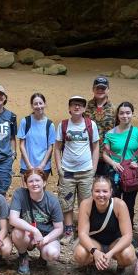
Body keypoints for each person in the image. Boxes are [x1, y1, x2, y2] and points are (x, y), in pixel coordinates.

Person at [73, 176, 136, 275]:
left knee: (128, 255)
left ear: (111, 192)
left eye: (105, 191)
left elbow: (128, 236)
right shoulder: (86, 204)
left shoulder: (119, 205)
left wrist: (111, 253)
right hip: (95, 242)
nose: (101, 195)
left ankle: (121, 267)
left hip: (114, 242)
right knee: (80, 253)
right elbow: (82, 234)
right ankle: (91, 264)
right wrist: (95, 251)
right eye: (97, 191)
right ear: (92, 192)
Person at [54, 95, 100, 242]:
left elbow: (96, 147)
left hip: (86, 171)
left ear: (84, 108)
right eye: (74, 104)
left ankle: (82, 233)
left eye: (80, 105)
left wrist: (93, 168)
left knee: (85, 203)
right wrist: (59, 168)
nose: (77, 107)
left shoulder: (90, 125)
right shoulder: (63, 125)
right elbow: (57, 148)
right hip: (67, 171)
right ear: (69, 108)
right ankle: (68, 232)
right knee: (66, 202)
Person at [9, 168, 64, 275]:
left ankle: (43, 257)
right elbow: (13, 219)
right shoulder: (19, 194)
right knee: (17, 232)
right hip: (27, 234)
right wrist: (34, 231)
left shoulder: (52, 200)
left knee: (52, 253)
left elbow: (59, 228)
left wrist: (45, 239)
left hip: (46, 235)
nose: (34, 184)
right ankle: (23, 256)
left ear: (44, 182)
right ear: (26, 184)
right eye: (30, 181)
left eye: (37, 181)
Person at [102, 101, 138, 224]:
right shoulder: (110, 134)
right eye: (122, 113)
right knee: (113, 202)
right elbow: (105, 154)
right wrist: (113, 164)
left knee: (129, 204)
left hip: (131, 174)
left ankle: (127, 230)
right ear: (117, 115)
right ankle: (114, 229)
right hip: (114, 173)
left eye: (128, 113)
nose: (125, 116)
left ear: (132, 114)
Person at [18, 92, 56, 175]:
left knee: (41, 188)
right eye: (35, 104)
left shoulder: (49, 125)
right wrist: (28, 165)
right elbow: (21, 145)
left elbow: (50, 147)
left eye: (40, 103)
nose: (38, 106)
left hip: (43, 167)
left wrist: (42, 165)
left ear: (45, 104)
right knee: (26, 188)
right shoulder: (25, 121)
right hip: (26, 166)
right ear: (32, 106)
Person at [84, 76, 115, 176]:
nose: (100, 90)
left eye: (103, 88)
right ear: (93, 89)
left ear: (108, 89)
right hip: (88, 154)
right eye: (98, 88)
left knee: (105, 187)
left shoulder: (114, 109)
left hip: (107, 156)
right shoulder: (85, 107)